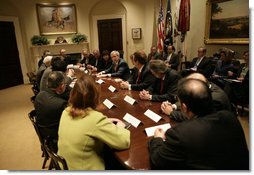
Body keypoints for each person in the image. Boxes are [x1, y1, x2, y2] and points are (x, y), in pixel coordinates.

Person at [148, 78, 249, 170]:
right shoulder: (229, 116)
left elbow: (157, 161)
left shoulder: (180, 134)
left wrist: (158, 138)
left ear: (184, 107)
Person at [57, 73, 130, 170]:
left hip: (66, 166)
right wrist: (120, 126)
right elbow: (123, 142)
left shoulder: (66, 111)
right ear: (95, 96)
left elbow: (85, 126)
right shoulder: (95, 119)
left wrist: (104, 122)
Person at [161, 73, 232, 122]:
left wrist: (171, 112)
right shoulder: (206, 86)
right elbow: (189, 99)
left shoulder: (214, 99)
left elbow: (196, 118)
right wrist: (173, 106)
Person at [34, 71, 68, 141]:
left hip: (44, 131)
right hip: (56, 136)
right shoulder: (61, 104)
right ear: (61, 86)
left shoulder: (40, 95)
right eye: (65, 84)